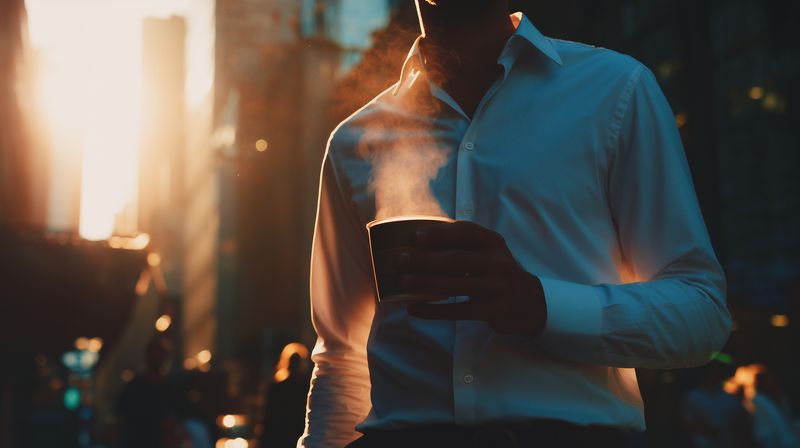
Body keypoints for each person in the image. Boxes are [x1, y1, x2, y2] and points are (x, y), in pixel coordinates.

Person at [300, 1, 732, 447]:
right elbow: (342, 357)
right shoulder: (354, 140)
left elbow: (700, 315)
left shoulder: (615, 91)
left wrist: (541, 306)